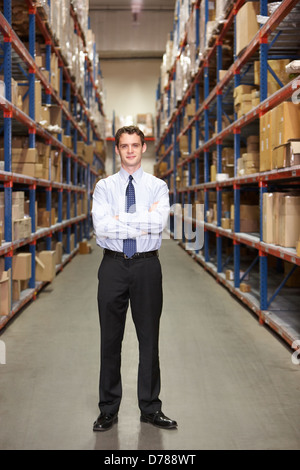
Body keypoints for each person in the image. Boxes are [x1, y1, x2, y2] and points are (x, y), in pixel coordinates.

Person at [91, 125, 177, 432]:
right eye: (124, 145)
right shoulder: (104, 188)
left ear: (143, 148)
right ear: (117, 150)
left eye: (135, 145)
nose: (130, 150)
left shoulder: (158, 187)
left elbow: (158, 225)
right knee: (110, 340)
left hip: (146, 267)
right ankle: (108, 409)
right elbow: (102, 229)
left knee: (149, 339)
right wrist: (140, 222)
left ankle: (150, 408)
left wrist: (121, 220)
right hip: (113, 266)